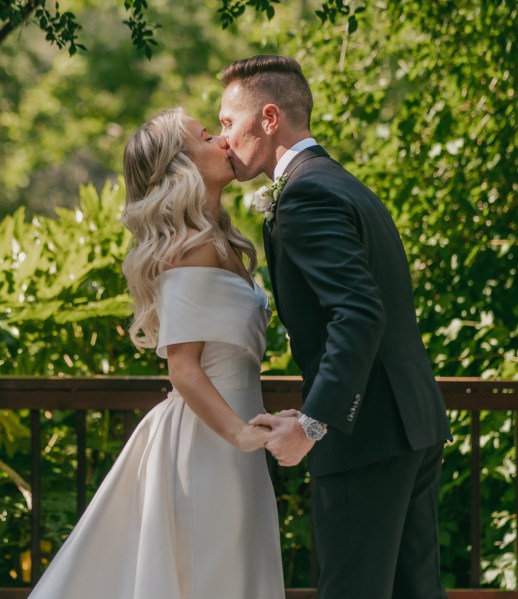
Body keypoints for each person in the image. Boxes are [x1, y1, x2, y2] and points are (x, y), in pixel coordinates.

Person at [219, 54, 452, 599]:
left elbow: (360, 313)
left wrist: (313, 424)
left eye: (229, 122)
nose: (224, 138)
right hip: (409, 422)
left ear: (269, 118)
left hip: (365, 436)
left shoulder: (304, 194)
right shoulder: (343, 182)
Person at [28, 107, 285, 599]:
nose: (224, 143)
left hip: (236, 438)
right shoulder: (190, 247)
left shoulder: (222, 241)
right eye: (208, 137)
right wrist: (241, 435)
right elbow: (183, 368)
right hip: (210, 443)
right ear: (180, 167)